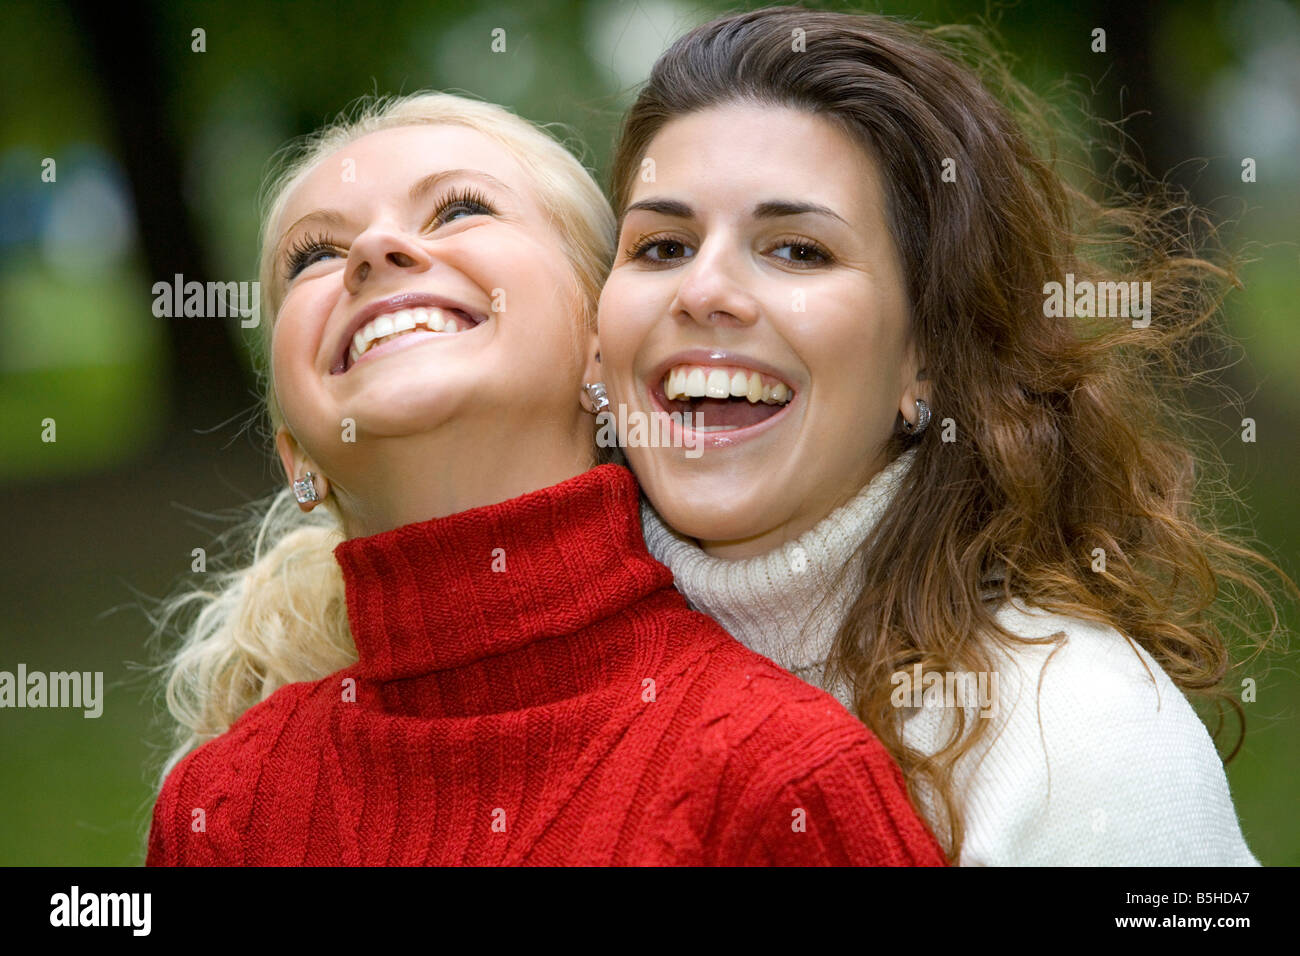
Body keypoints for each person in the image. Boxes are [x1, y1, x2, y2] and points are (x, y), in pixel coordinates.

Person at [144, 90, 948, 866]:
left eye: (459, 209)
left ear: (600, 346)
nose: (371, 252)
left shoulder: (781, 777)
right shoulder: (220, 807)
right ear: (297, 457)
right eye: (314, 256)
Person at [595, 7, 1293, 865]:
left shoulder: (1085, 733)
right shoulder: (542, 690)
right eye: (662, 246)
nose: (703, 290)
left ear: (924, 359)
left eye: (799, 251)